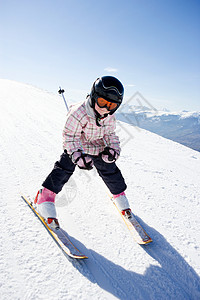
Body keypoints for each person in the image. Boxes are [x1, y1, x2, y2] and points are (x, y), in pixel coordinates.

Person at [35, 76, 131, 229]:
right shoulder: (78, 112)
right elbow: (70, 136)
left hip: (97, 144)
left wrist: (113, 150)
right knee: (64, 167)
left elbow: (110, 134)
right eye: (102, 102)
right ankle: (45, 196)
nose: (105, 108)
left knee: (110, 169)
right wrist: (77, 155)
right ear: (94, 96)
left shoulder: (109, 116)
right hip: (78, 145)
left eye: (111, 105)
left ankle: (119, 195)